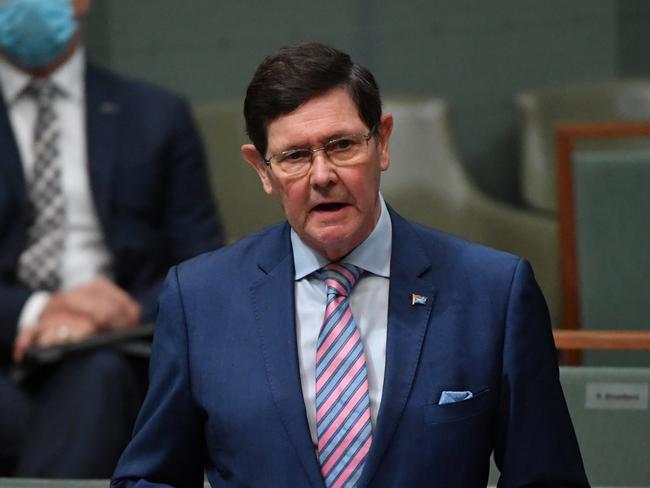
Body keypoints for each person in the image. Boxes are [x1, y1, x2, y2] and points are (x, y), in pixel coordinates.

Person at [112, 43, 589, 487]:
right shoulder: (199, 300)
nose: (322, 176)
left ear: (382, 143)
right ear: (262, 170)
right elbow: (150, 478)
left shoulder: (493, 292)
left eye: (341, 145)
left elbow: (548, 480)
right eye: (295, 156)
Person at [0, 0, 224, 478]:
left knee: (99, 379)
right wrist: (41, 310)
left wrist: (117, 314)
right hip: (6, 346)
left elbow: (203, 264)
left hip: (112, 352)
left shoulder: (158, 116)